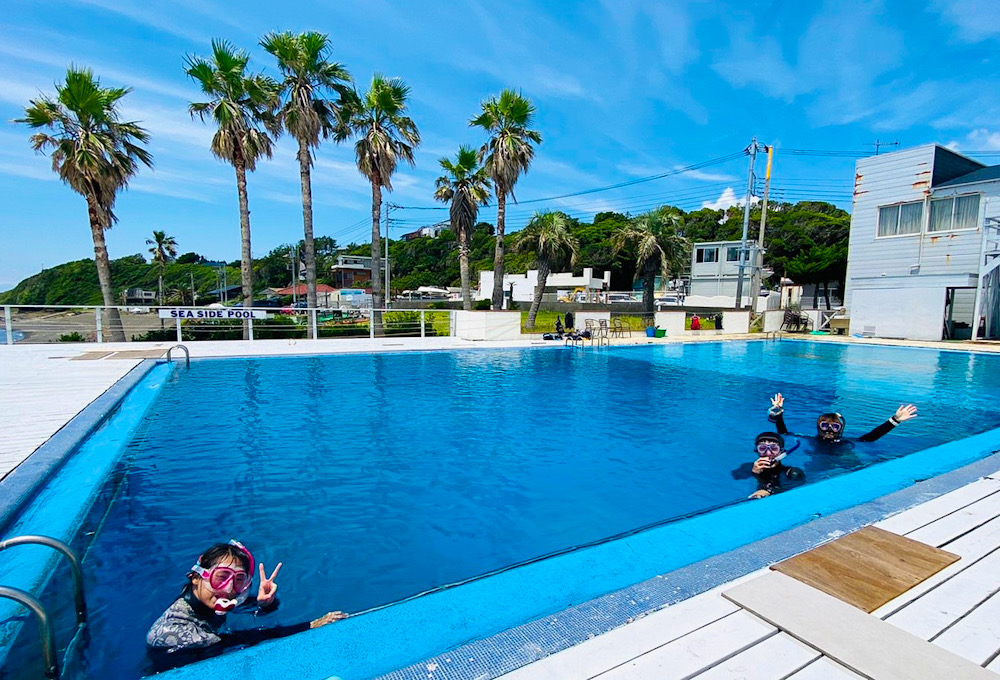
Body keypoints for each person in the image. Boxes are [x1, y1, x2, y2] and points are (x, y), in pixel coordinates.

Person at [146, 540, 346, 672]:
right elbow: (246, 638)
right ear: (196, 578)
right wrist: (310, 626)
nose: (228, 589)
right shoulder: (174, 632)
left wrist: (266, 604)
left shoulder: (207, 598)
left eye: (238, 580)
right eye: (221, 577)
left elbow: (250, 612)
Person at [768, 393, 918, 444]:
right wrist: (779, 413)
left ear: (841, 429)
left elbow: (870, 438)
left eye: (835, 427)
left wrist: (895, 420)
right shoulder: (810, 439)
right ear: (818, 427)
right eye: (825, 426)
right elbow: (784, 434)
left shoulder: (845, 443)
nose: (829, 431)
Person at [731, 432, 805, 499]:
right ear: (757, 451)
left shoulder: (792, 473)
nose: (768, 453)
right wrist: (755, 473)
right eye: (762, 448)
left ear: (782, 452)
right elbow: (736, 477)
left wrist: (769, 492)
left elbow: (795, 491)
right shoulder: (748, 467)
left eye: (774, 448)